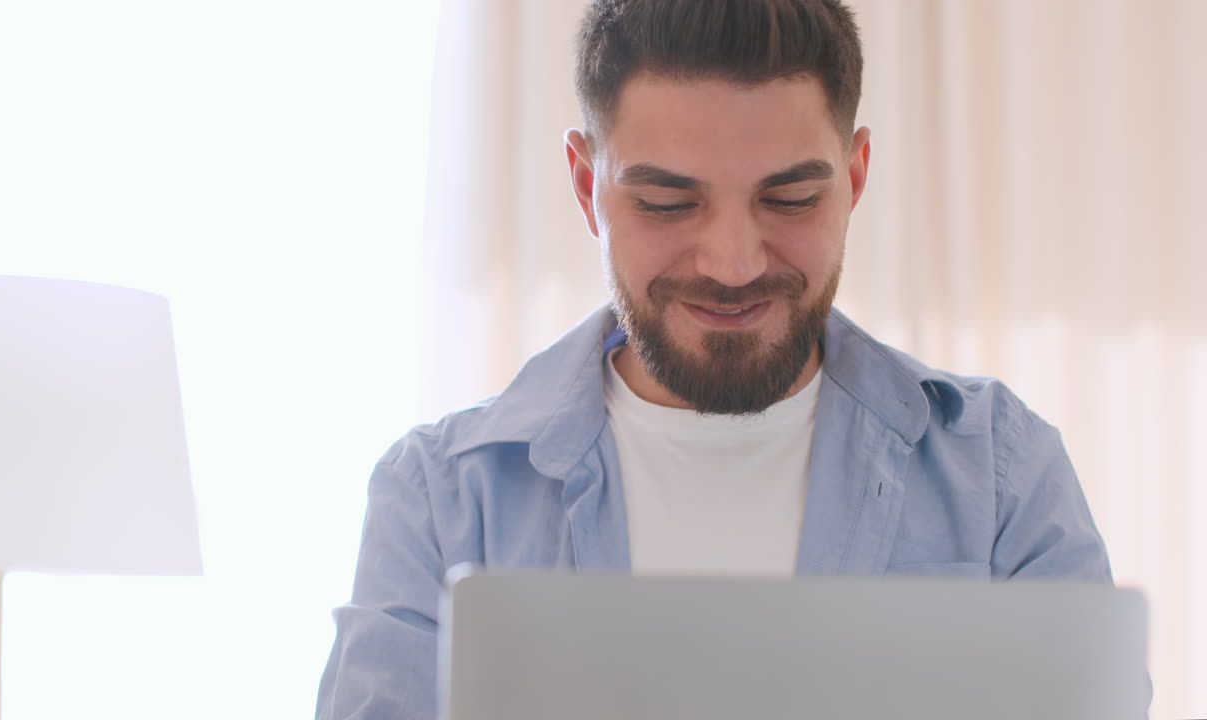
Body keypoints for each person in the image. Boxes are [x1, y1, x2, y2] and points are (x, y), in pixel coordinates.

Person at [315, 1, 1111, 718]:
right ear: (587, 183)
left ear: (856, 176)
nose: (732, 264)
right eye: (668, 203)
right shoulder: (439, 500)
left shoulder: (1003, 477)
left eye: (790, 199)